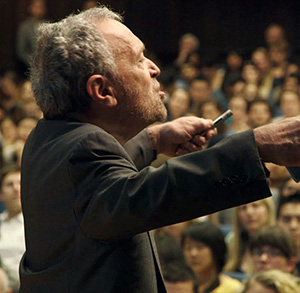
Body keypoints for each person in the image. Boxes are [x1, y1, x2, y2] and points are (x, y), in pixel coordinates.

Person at [20, 6, 300, 292]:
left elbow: (98, 193)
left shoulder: (45, 140)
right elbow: (148, 195)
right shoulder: (84, 150)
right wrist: (258, 146)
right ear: (103, 90)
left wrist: (153, 139)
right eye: (139, 59)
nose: (154, 68)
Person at [181, 221, 242, 293]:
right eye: (188, 248)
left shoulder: (234, 289)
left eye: (200, 247)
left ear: (216, 250)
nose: (193, 254)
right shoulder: (179, 288)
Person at [224, 198, 276, 275]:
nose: (249, 212)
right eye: (243, 208)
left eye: (255, 206)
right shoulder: (231, 240)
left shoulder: (278, 243)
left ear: (268, 210)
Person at [0, 166, 25, 292]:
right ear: (1, 194)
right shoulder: (1, 222)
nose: (16, 188)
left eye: (20, 183)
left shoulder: (34, 225)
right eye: (10, 184)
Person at [277, 192, 300, 275]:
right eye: (286, 219)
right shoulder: (266, 259)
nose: (293, 226)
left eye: (299, 219)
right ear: (276, 222)